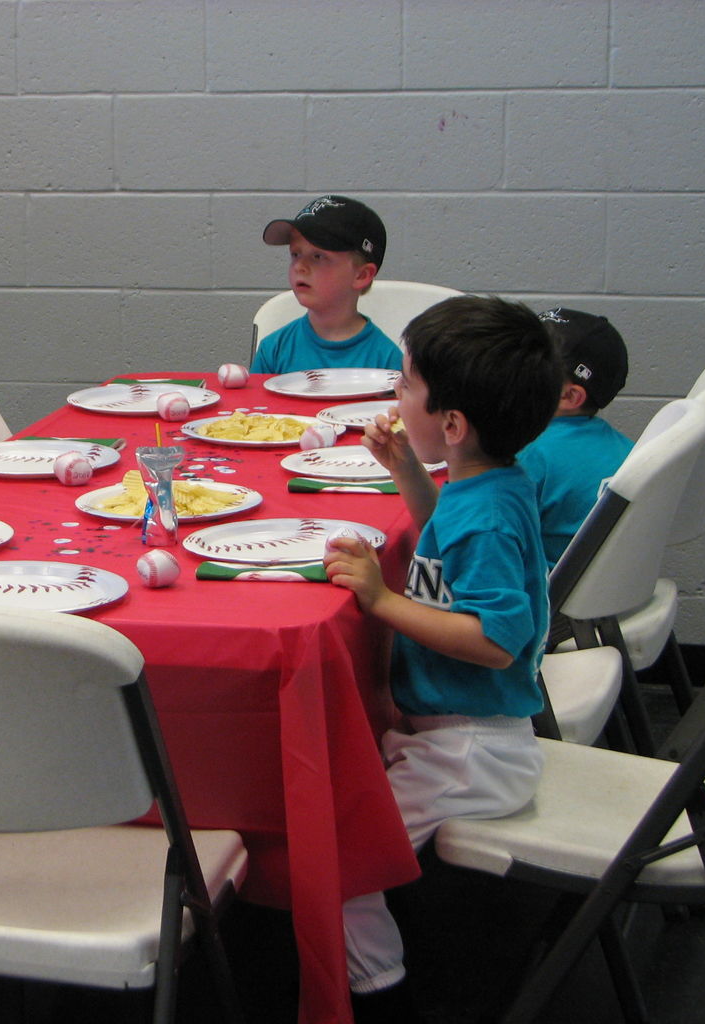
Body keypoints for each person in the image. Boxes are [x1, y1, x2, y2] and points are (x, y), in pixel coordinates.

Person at [323, 296, 565, 1023]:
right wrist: (405, 467)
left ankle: (379, 992)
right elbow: (444, 544)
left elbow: (496, 640)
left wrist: (381, 601)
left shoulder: (486, 513)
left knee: (337, 856)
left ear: (452, 425)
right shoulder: (487, 483)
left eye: (403, 386)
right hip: (460, 739)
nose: (393, 397)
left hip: (469, 754)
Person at [517, 307, 634, 568]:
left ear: (569, 396)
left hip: (539, 597)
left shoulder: (528, 454)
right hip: (601, 593)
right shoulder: (631, 450)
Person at [252, 194, 402, 374]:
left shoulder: (387, 361)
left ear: (361, 275)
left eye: (318, 256)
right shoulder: (274, 350)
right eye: (295, 254)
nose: (300, 266)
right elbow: (256, 403)